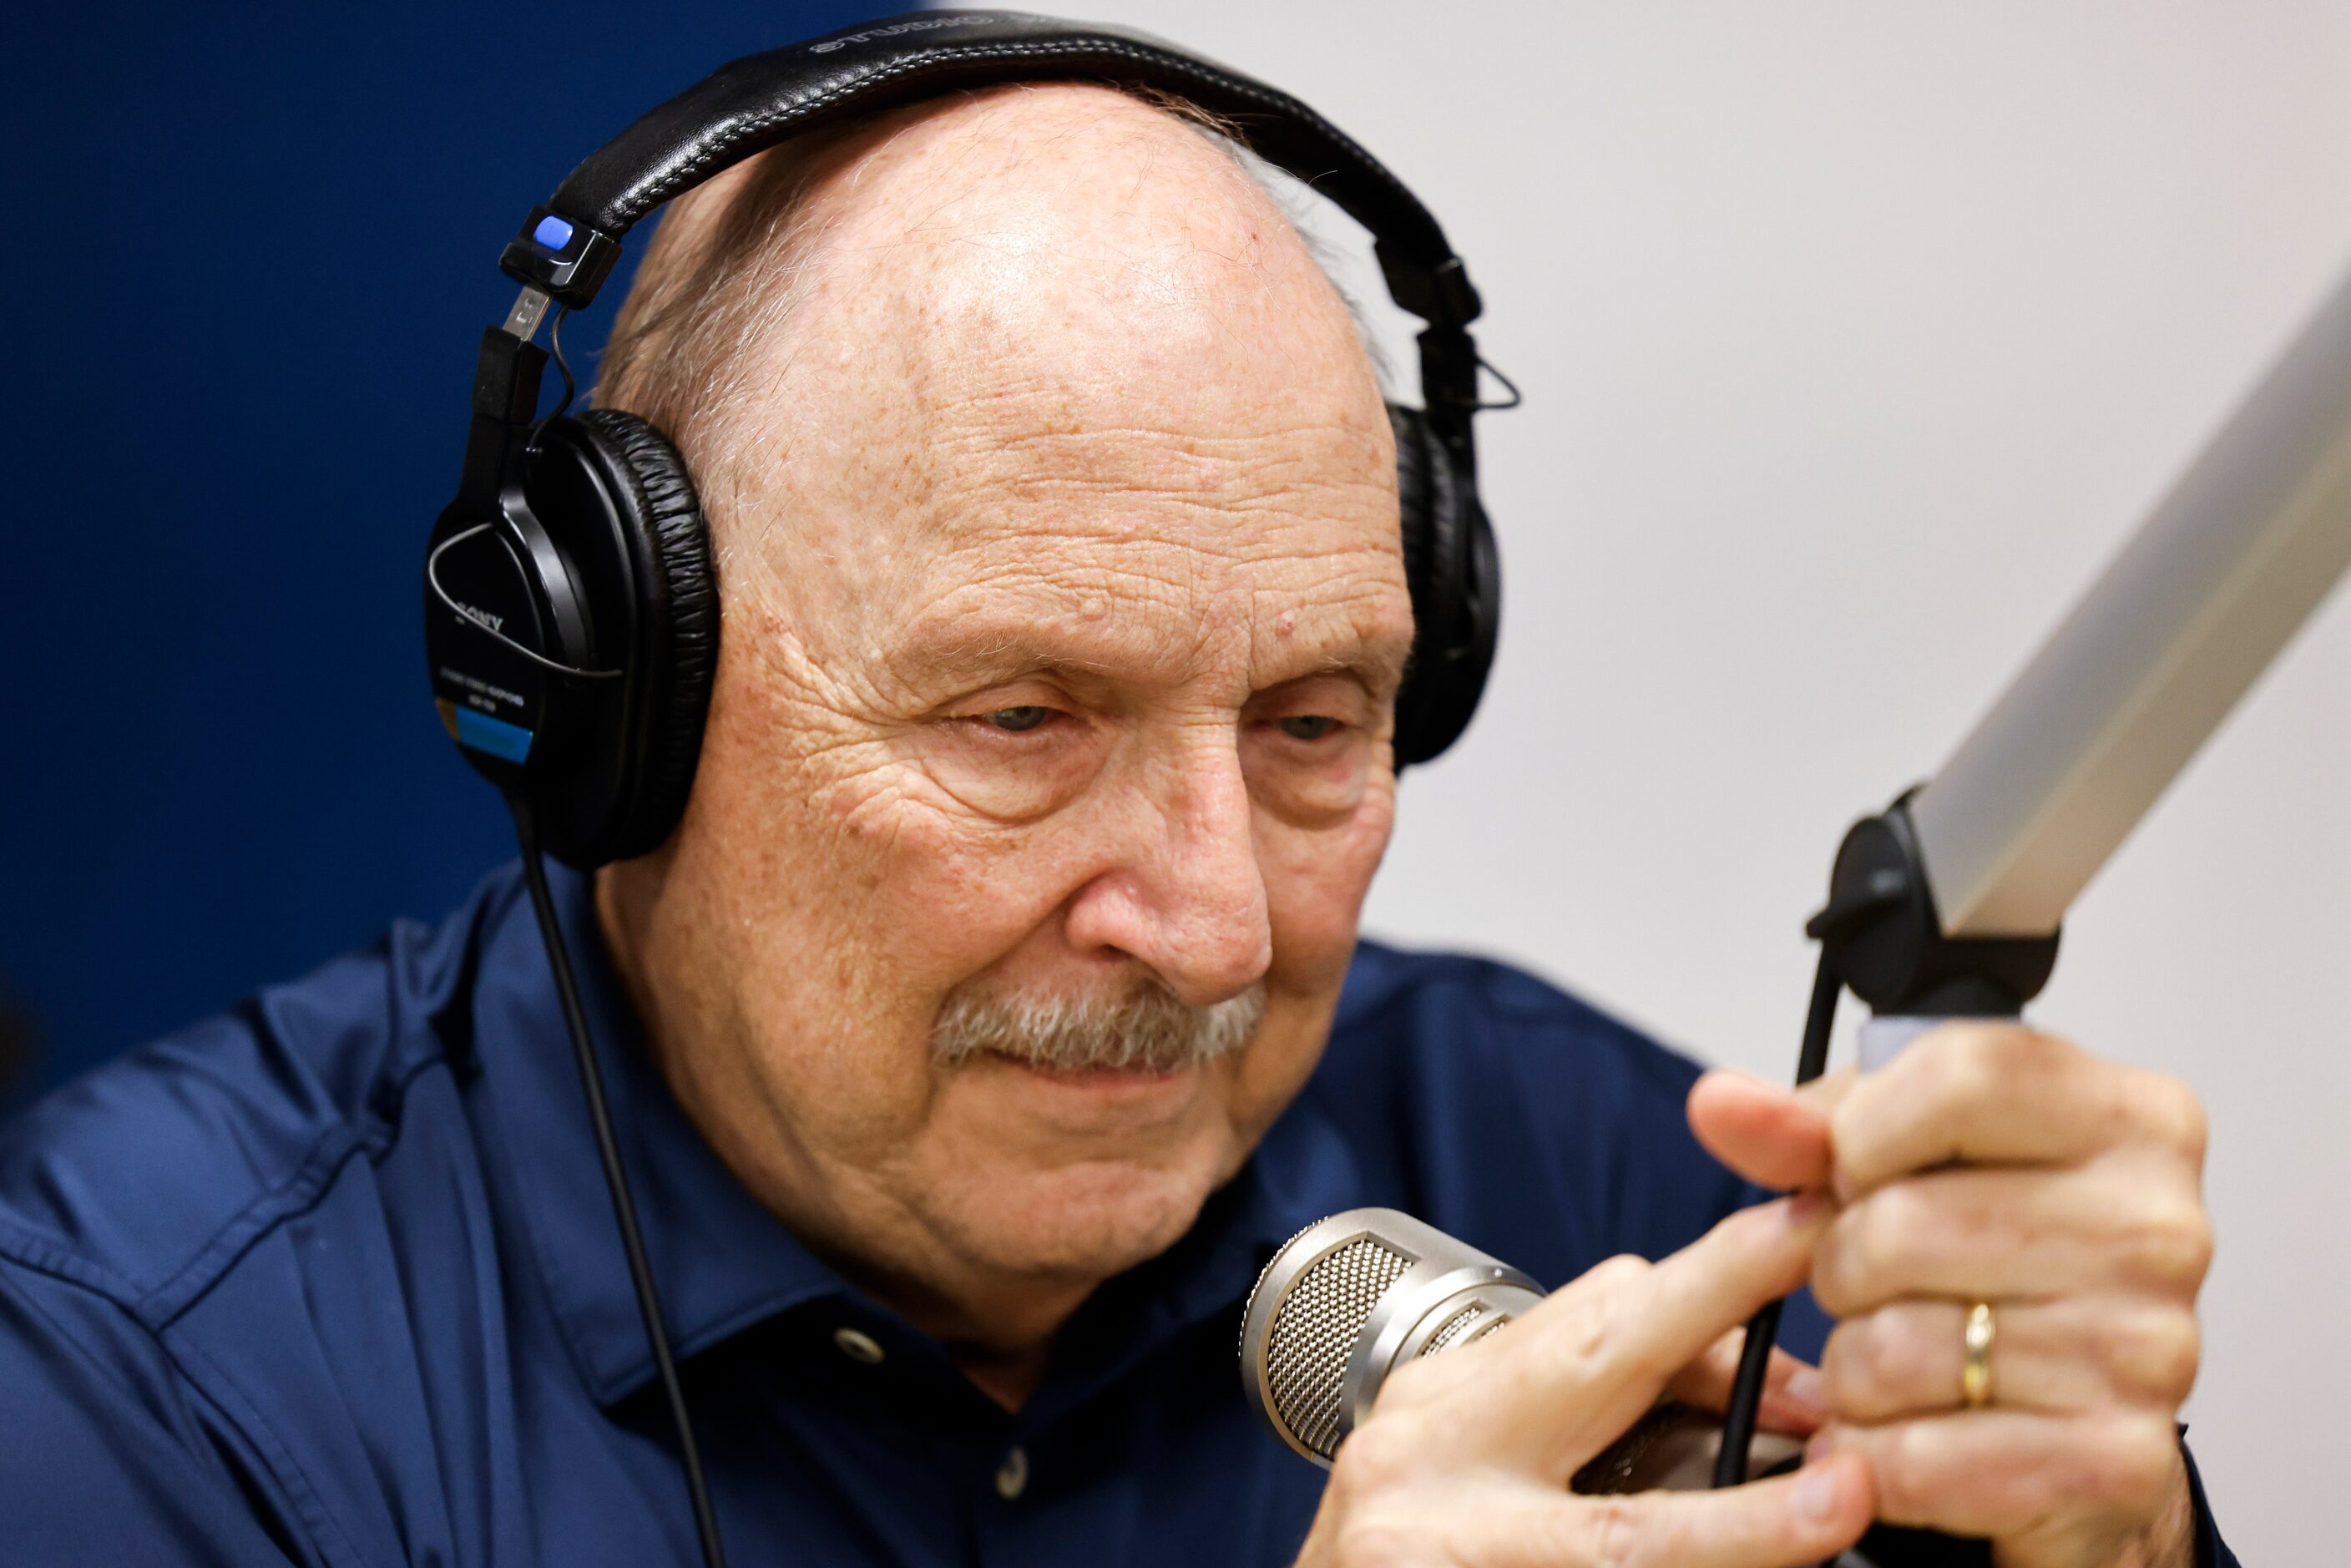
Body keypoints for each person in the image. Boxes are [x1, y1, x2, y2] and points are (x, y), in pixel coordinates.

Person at [0, 74, 2230, 1568]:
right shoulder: (151, 1389)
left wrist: (2091, 1537)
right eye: (1023, 716)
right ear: (615, 710)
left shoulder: (1603, 1179)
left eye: (1310, 723)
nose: (1209, 925)